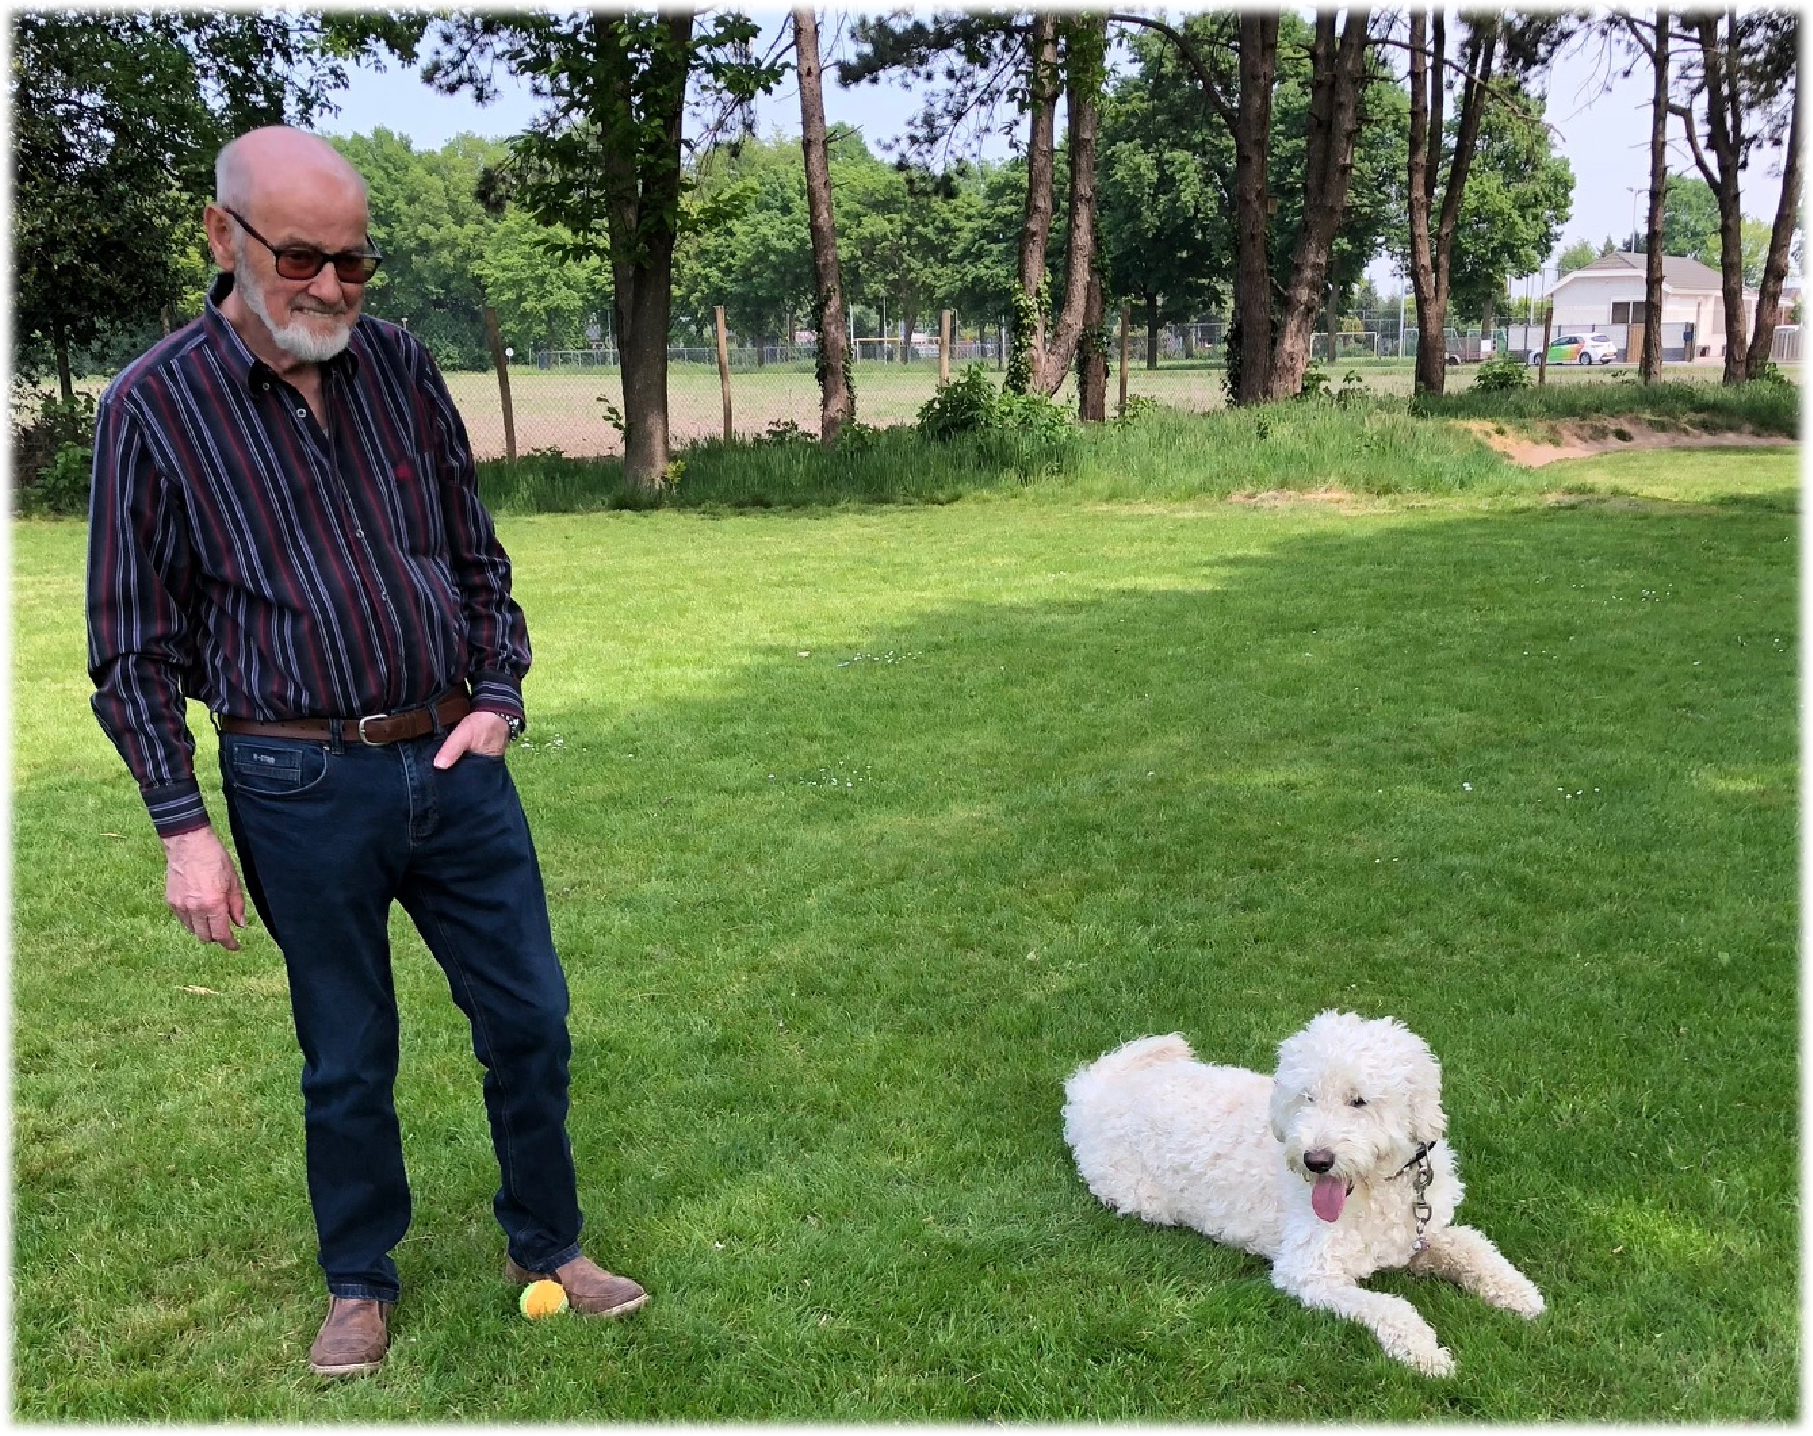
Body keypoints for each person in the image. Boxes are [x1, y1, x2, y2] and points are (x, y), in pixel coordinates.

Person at [85, 127, 646, 1378]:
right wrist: (183, 827)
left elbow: (474, 554)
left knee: (531, 1017)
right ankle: (358, 1279)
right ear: (224, 236)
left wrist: (495, 694)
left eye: (354, 261)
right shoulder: (152, 407)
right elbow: (131, 646)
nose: (331, 286)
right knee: (346, 1052)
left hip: (454, 758)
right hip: (295, 781)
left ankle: (549, 1241)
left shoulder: (399, 366)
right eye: (301, 258)